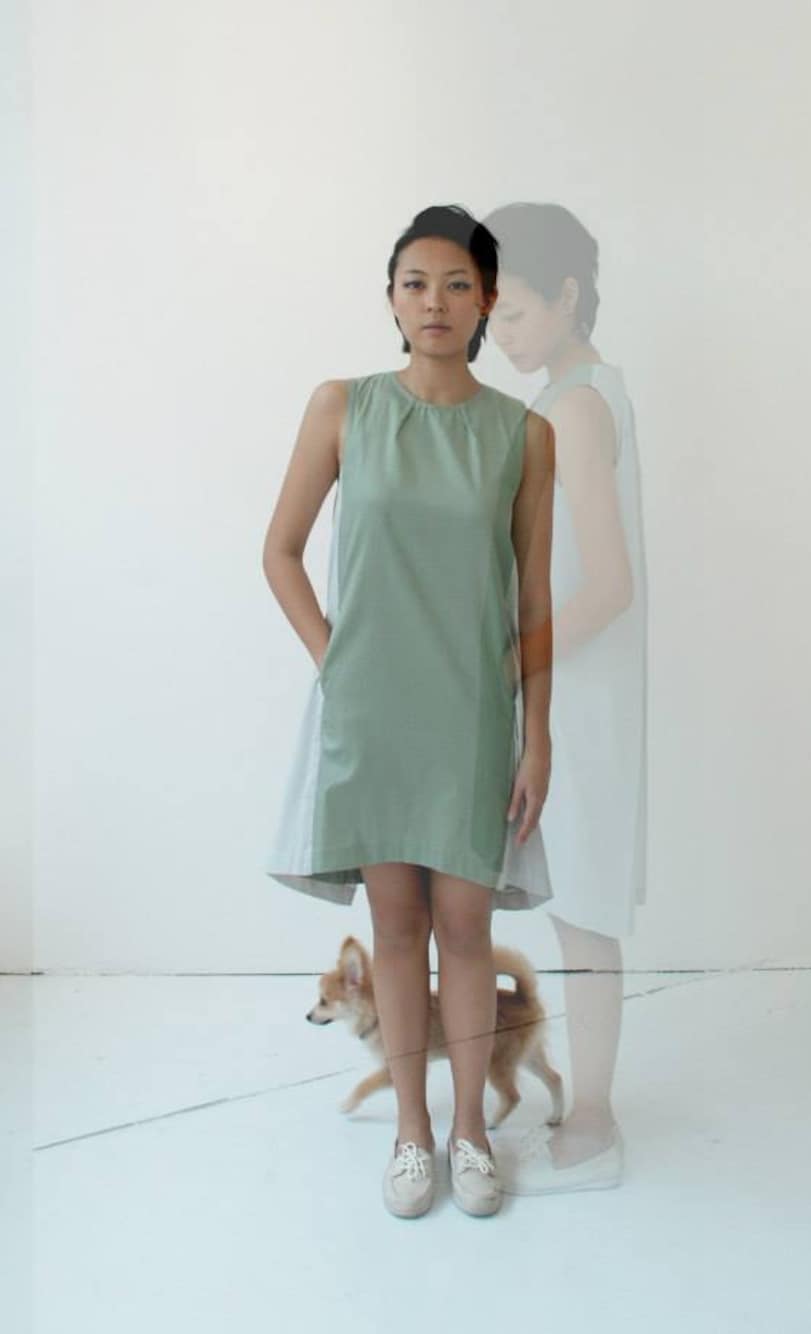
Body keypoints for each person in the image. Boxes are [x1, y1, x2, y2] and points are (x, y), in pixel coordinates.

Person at [262, 205, 556, 1218]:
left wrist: (539, 734)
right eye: (416, 283)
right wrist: (333, 659)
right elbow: (279, 551)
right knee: (395, 926)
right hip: (374, 712)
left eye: (458, 284)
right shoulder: (342, 407)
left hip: (472, 710)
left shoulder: (523, 434)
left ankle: (472, 1131)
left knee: (465, 925)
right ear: (391, 298)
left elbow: (533, 601)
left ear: (486, 301)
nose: (435, 302)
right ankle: (411, 1135)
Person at [481, 202, 649, 1194]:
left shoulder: (574, 408)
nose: (497, 335)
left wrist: (505, 664)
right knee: (574, 903)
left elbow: (608, 584)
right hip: (567, 689)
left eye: (511, 313)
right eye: (490, 316)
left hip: (574, 698)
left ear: (568, 296)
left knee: (582, 908)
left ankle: (592, 1121)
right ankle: (585, 1109)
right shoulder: (576, 393)